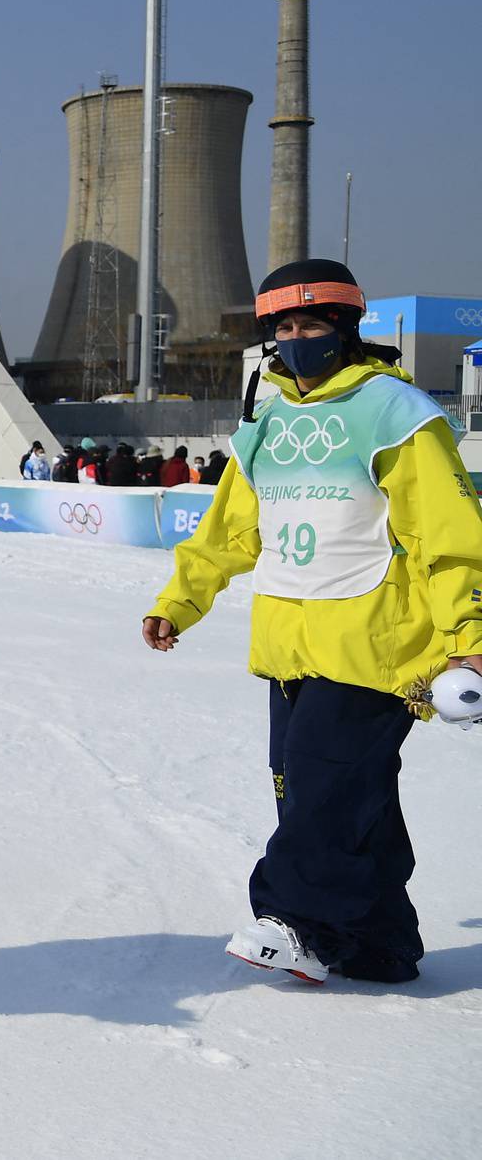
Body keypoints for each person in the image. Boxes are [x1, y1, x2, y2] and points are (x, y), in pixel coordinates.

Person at [142, 259, 482, 985]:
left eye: (314, 324)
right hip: (290, 646)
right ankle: (380, 944)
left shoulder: (394, 410)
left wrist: (471, 643)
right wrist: (179, 601)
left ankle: (289, 915)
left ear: (347, 328)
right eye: (286, 327)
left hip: (378, 647)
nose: (299, 338)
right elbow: (230, 531)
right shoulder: (265, 423)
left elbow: (448, 537)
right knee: (337, 795)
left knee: (325, 791)